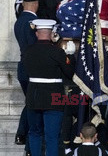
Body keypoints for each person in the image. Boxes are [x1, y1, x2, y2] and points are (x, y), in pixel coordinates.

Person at [23, 19, 76, 156]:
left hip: (34, 95)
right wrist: (70, 56)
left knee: (34, 132)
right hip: (54, 96)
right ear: (52, 33)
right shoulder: (57, 52)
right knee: (52, 136)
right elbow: (69, 73)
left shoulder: (28, 51)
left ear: (36, 33)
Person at [13, 0, 42, 154]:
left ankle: (22, 135)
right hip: (33, 68)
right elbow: (34, 47)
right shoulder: (33, 22)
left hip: (23, 67)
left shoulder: (19, 21)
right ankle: (24, 138)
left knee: (31, 104)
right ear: (36, 3)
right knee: (33, 106)